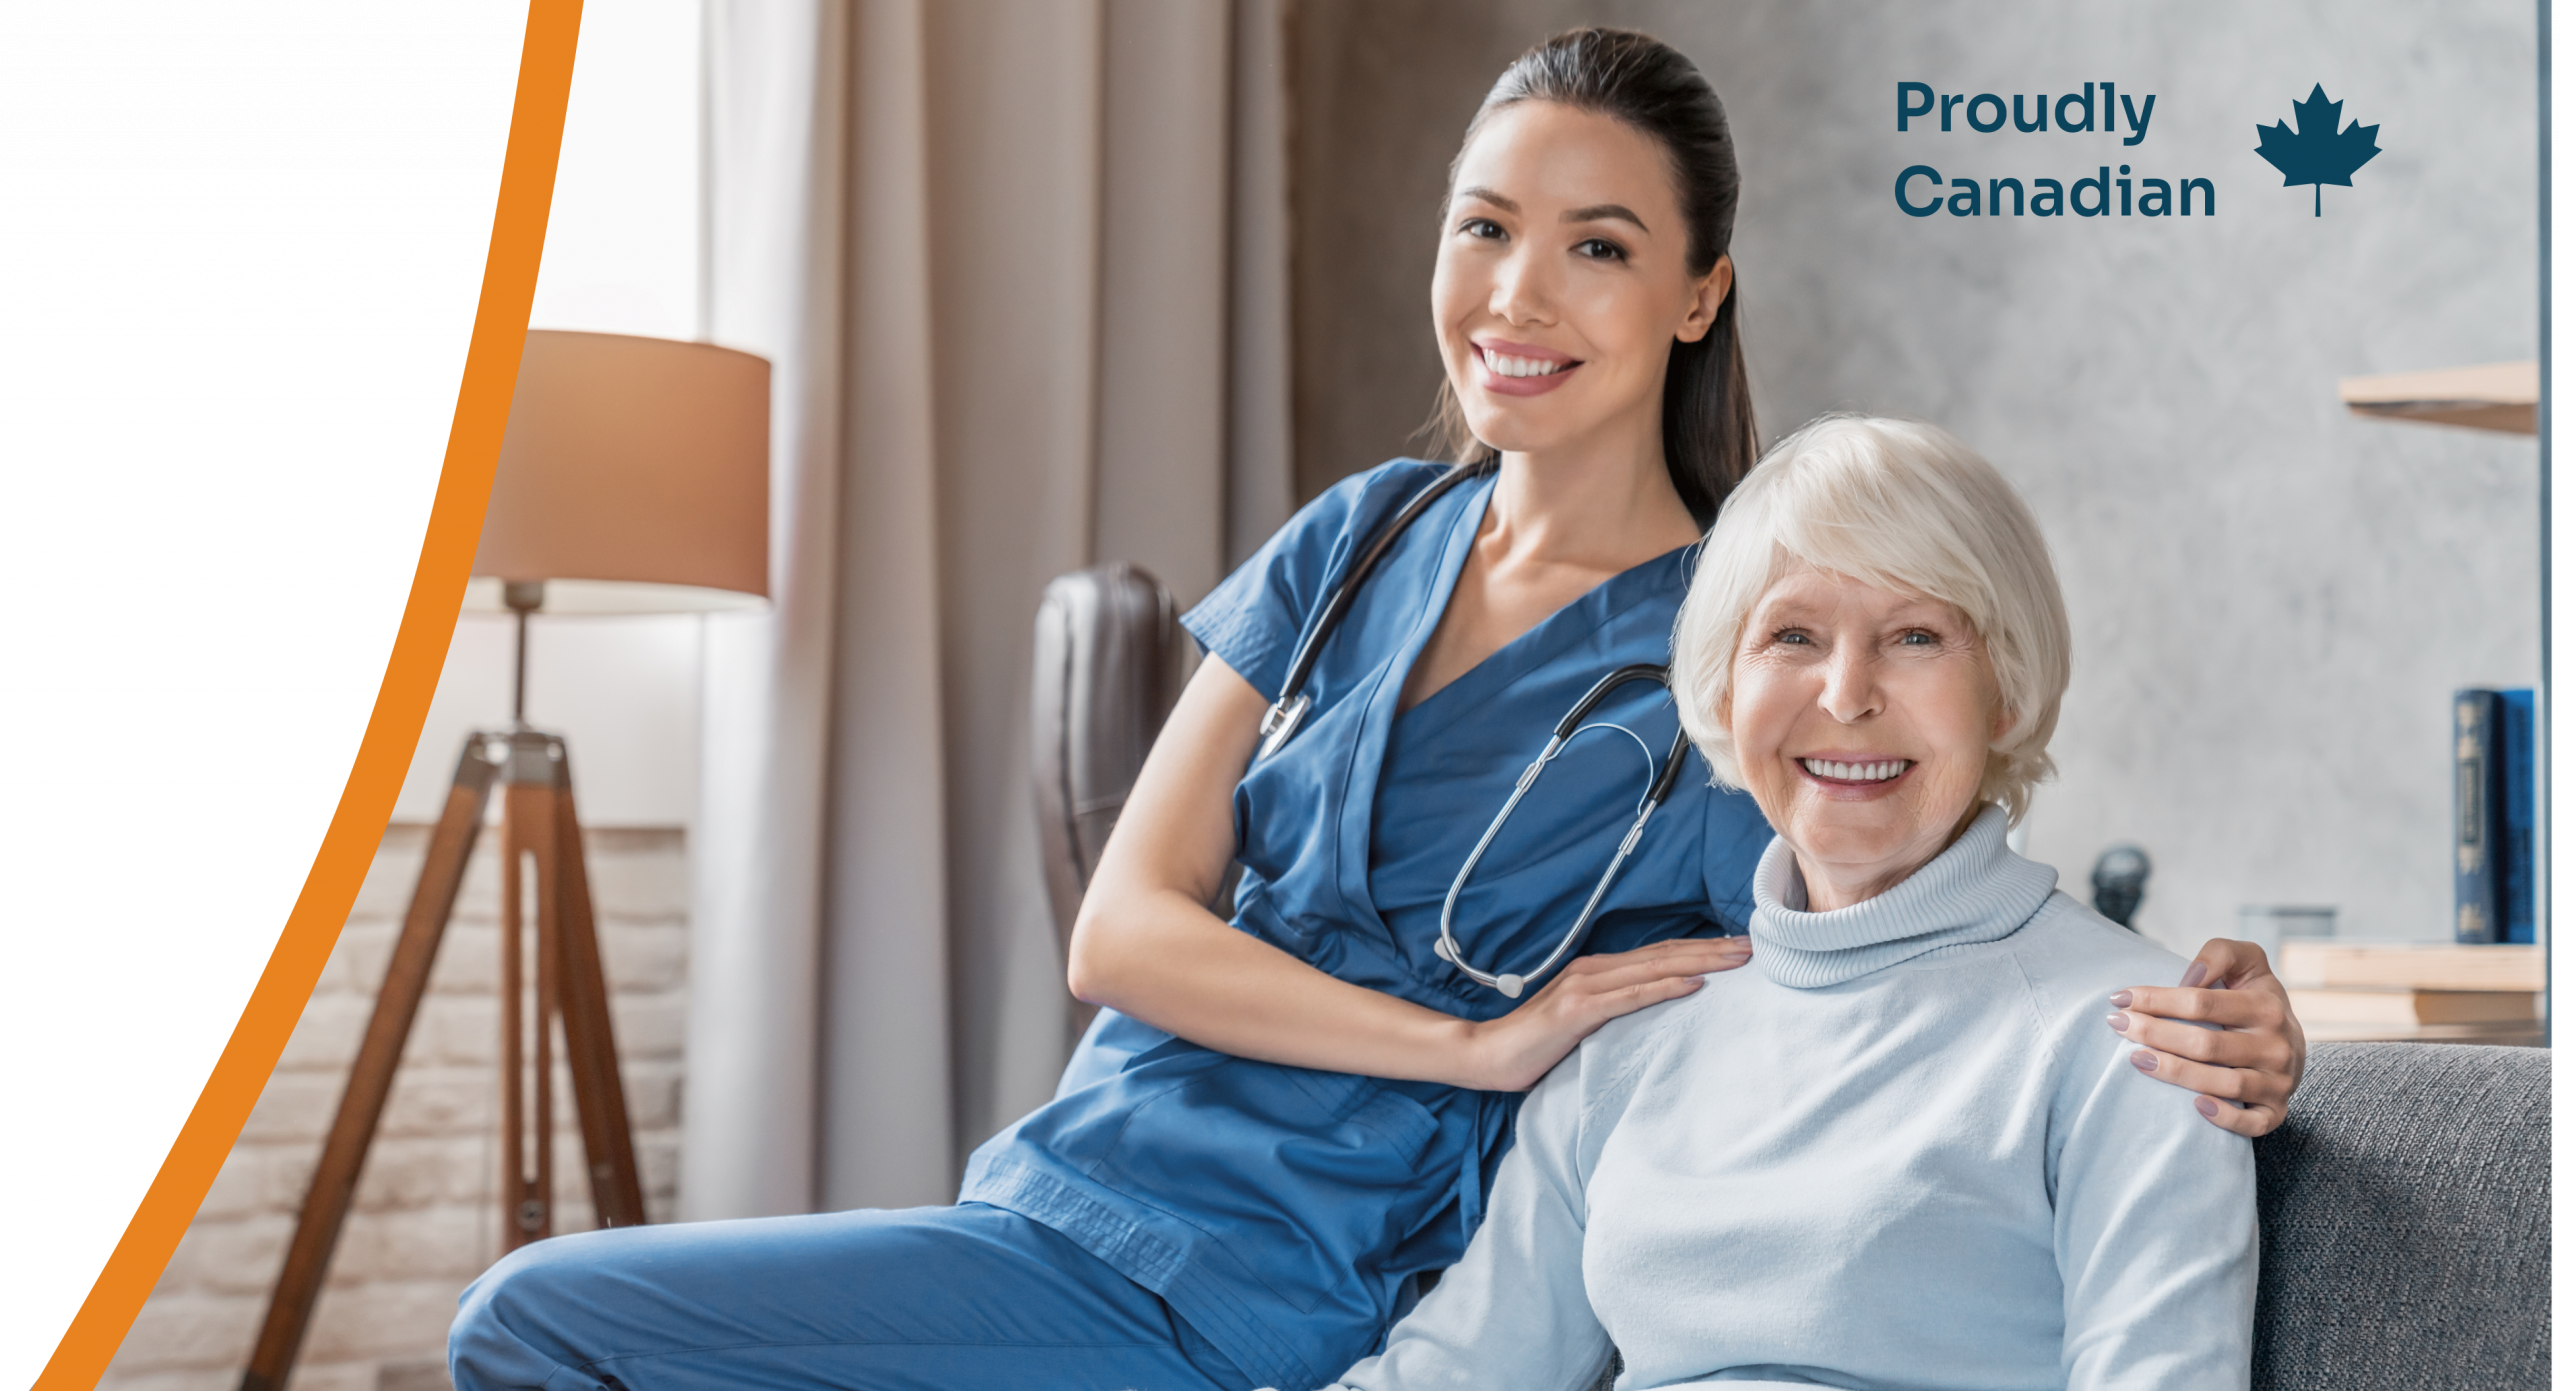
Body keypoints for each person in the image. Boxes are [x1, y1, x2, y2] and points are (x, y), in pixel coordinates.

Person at [448, 29, 2300, 1391]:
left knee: (532, 1330)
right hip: (1077, 1197)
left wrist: (2228, 1024)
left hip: (1312, 1286)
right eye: (1485, 228)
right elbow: (1123, 931)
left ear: (1696, 292)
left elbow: (1901, 903)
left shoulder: (1744, 643)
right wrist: (1471, 1045)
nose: (1516, 291)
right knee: (542, 1319)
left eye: (1595, 244)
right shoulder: (1356, 536)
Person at [1318, 416, 2258, 1391]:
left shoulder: (2144, 1030)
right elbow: (1461, 1369)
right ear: (1726, 689)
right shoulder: (1635, 1038)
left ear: (2004, 691)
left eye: (1915, 636)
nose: (1846, 694)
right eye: (1793, 635)